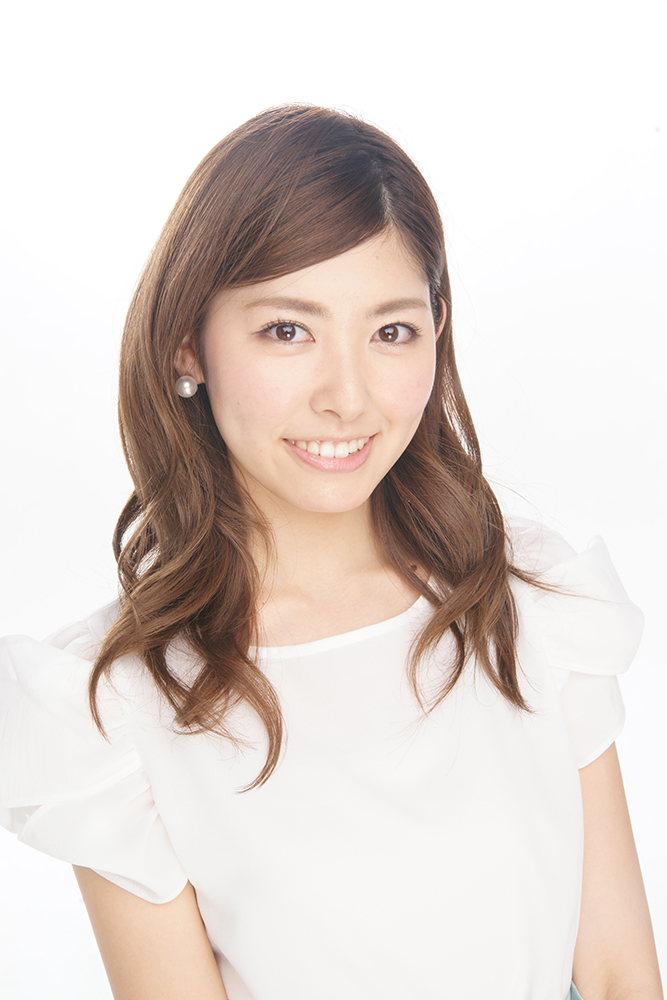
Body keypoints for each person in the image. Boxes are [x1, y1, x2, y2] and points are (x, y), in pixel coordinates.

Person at [0, 105, 662, 1000]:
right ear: (188, 342)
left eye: (390, 331)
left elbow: (620, 976)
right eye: (288, 330)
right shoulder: (114, 710)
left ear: (435, 331)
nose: (347, 397)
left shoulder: (528, 605)